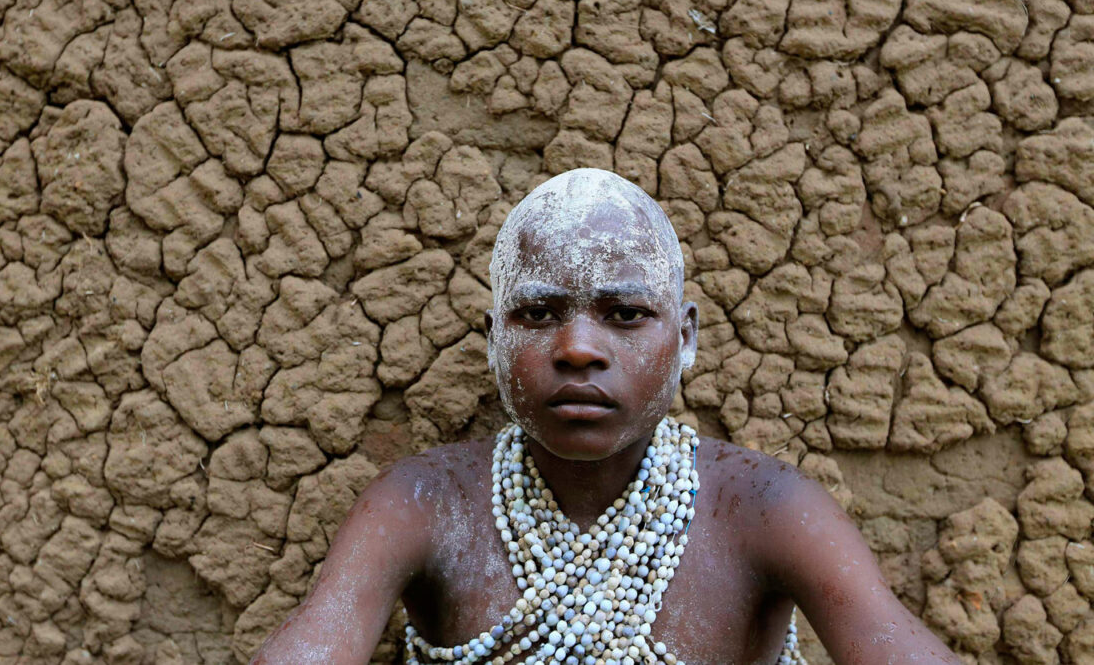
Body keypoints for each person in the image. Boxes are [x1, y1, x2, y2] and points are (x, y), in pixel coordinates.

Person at [251, 168, 963, 664]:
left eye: (625, 314)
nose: (578, 348)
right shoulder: (422, 504)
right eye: (538, 313)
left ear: (683, 338)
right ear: (493, 338)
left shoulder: (764, 509)